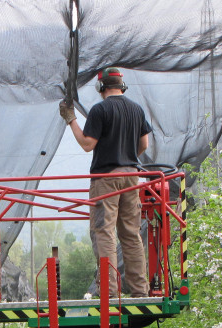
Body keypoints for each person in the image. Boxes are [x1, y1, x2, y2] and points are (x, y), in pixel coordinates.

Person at [59, 67, 152, 298]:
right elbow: (144, 145)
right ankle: (140, 291)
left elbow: (87, 144)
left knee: (104, 232)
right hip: (132, 177)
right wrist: (128, 160)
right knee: (131, 233)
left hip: (106, 179)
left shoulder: (100, 110)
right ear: (122, 86)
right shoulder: (136, 109)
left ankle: (110, 292)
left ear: (101, 87)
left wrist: (71, 120)